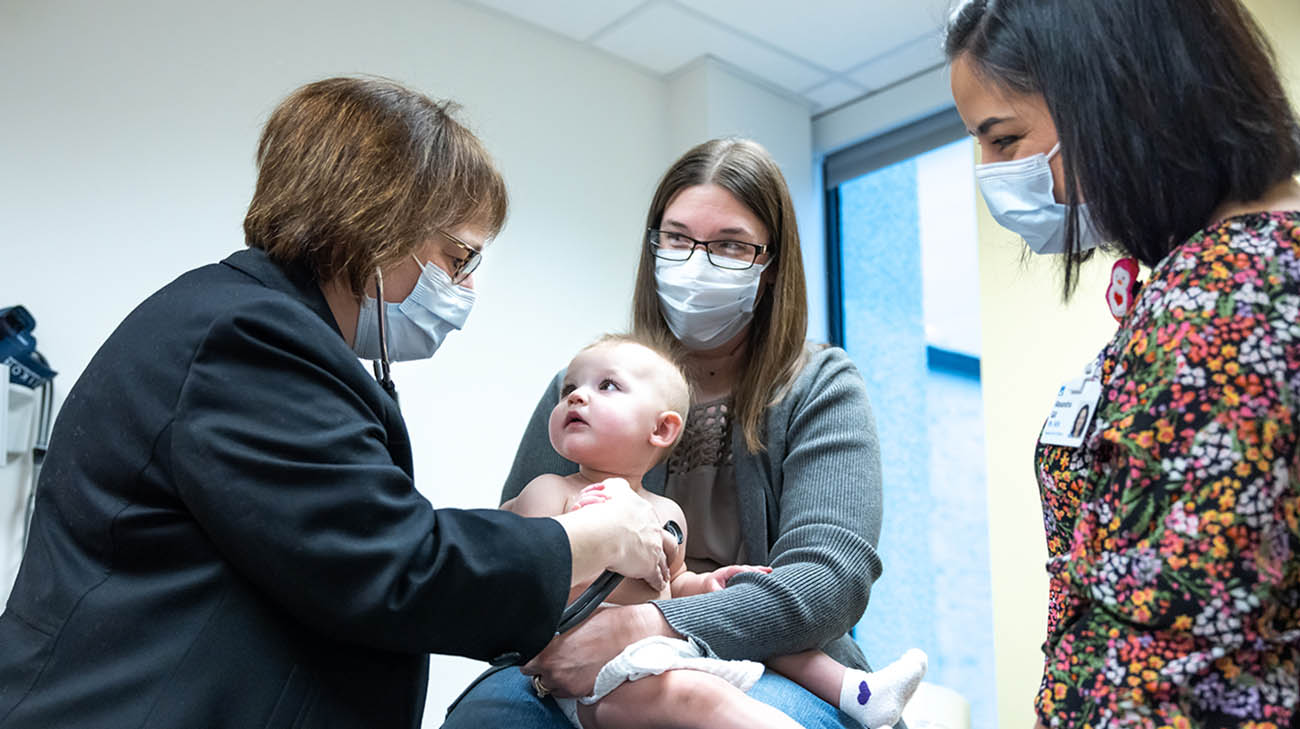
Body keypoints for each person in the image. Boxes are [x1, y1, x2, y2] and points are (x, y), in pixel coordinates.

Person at [0, 77, 670, 728]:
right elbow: (389, 562)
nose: (463, 286)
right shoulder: (248, 336)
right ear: (380, 224)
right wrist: (586, 538)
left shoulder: (242, 323)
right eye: (457, 256)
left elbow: (349, 536)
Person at [444, 138, 896, 729]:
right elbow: (516, 559)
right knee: (489, 718)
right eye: (677, 238)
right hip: (566, 643)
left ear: (771, 267)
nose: (697, 262)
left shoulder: (819, 385)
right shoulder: (579, 388)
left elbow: (828, 581)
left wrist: (652, 623)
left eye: (730, 245)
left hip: (767, 659)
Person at [945, 0, 1300, 725]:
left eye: (1005, 139)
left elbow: (1173, 658)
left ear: (1116, 93)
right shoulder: (1205, 279)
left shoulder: (1223, 297)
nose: (990, 172)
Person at [502, 333, 927, 729]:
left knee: (763, 625)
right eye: (569, 390)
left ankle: (861, 692)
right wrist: (583, 529)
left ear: (662, 429)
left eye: (607, 386)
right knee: (697, 697)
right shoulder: (551, 490)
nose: (576, 394)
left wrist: (706, 585)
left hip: (661, 649)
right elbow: (525, 569)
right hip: (597, 679)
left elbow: (674, 581)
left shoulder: (664, 512)